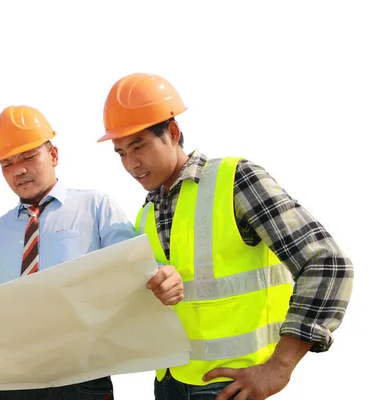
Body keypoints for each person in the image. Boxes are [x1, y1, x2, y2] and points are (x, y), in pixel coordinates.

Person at [97, 72, 354, 400]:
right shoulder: (146, 213)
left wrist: (279, 367)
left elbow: (328, 264)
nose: (132, 163)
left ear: (172, 132)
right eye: (120, 153)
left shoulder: (235, 181)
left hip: (231, 385)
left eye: (138, 146)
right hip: (168, 386)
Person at [0, 105, 183, 400]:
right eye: (7, 164)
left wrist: (165, 277)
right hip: (16, 384)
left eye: (28, 156)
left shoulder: (96, 207)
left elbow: (138, 271)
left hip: (84, 378)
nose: (19, 170)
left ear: (53, 155)